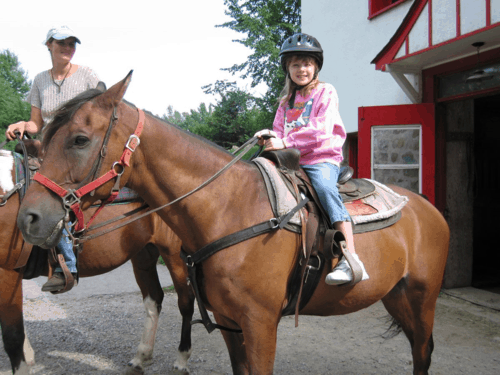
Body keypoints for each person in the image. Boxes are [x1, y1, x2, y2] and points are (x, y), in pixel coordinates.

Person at [255, 32, 369, 285]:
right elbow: (279, 131)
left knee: (326, 190)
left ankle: (351, 257)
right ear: (288, 69)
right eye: (295, 64)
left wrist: (285, 141)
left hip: (320, 159)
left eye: (306, 63)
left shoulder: (325, 92)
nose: (301, 69)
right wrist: (269, 136)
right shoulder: (285, 102)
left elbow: (321, 128)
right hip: (290, 161)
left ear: (316, 66)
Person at [5, 25, 100, 292]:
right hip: (49, 150)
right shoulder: (39, 80)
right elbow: (37, 123)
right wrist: (23, 123)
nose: (68, 48)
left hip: (78, 149)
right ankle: (22, 250)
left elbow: (100, 115)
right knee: (19, 175)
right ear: (48, 45)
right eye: (62, 43)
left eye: (72, 44)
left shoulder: (88, 76)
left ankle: (66, 265)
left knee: (53, 192)